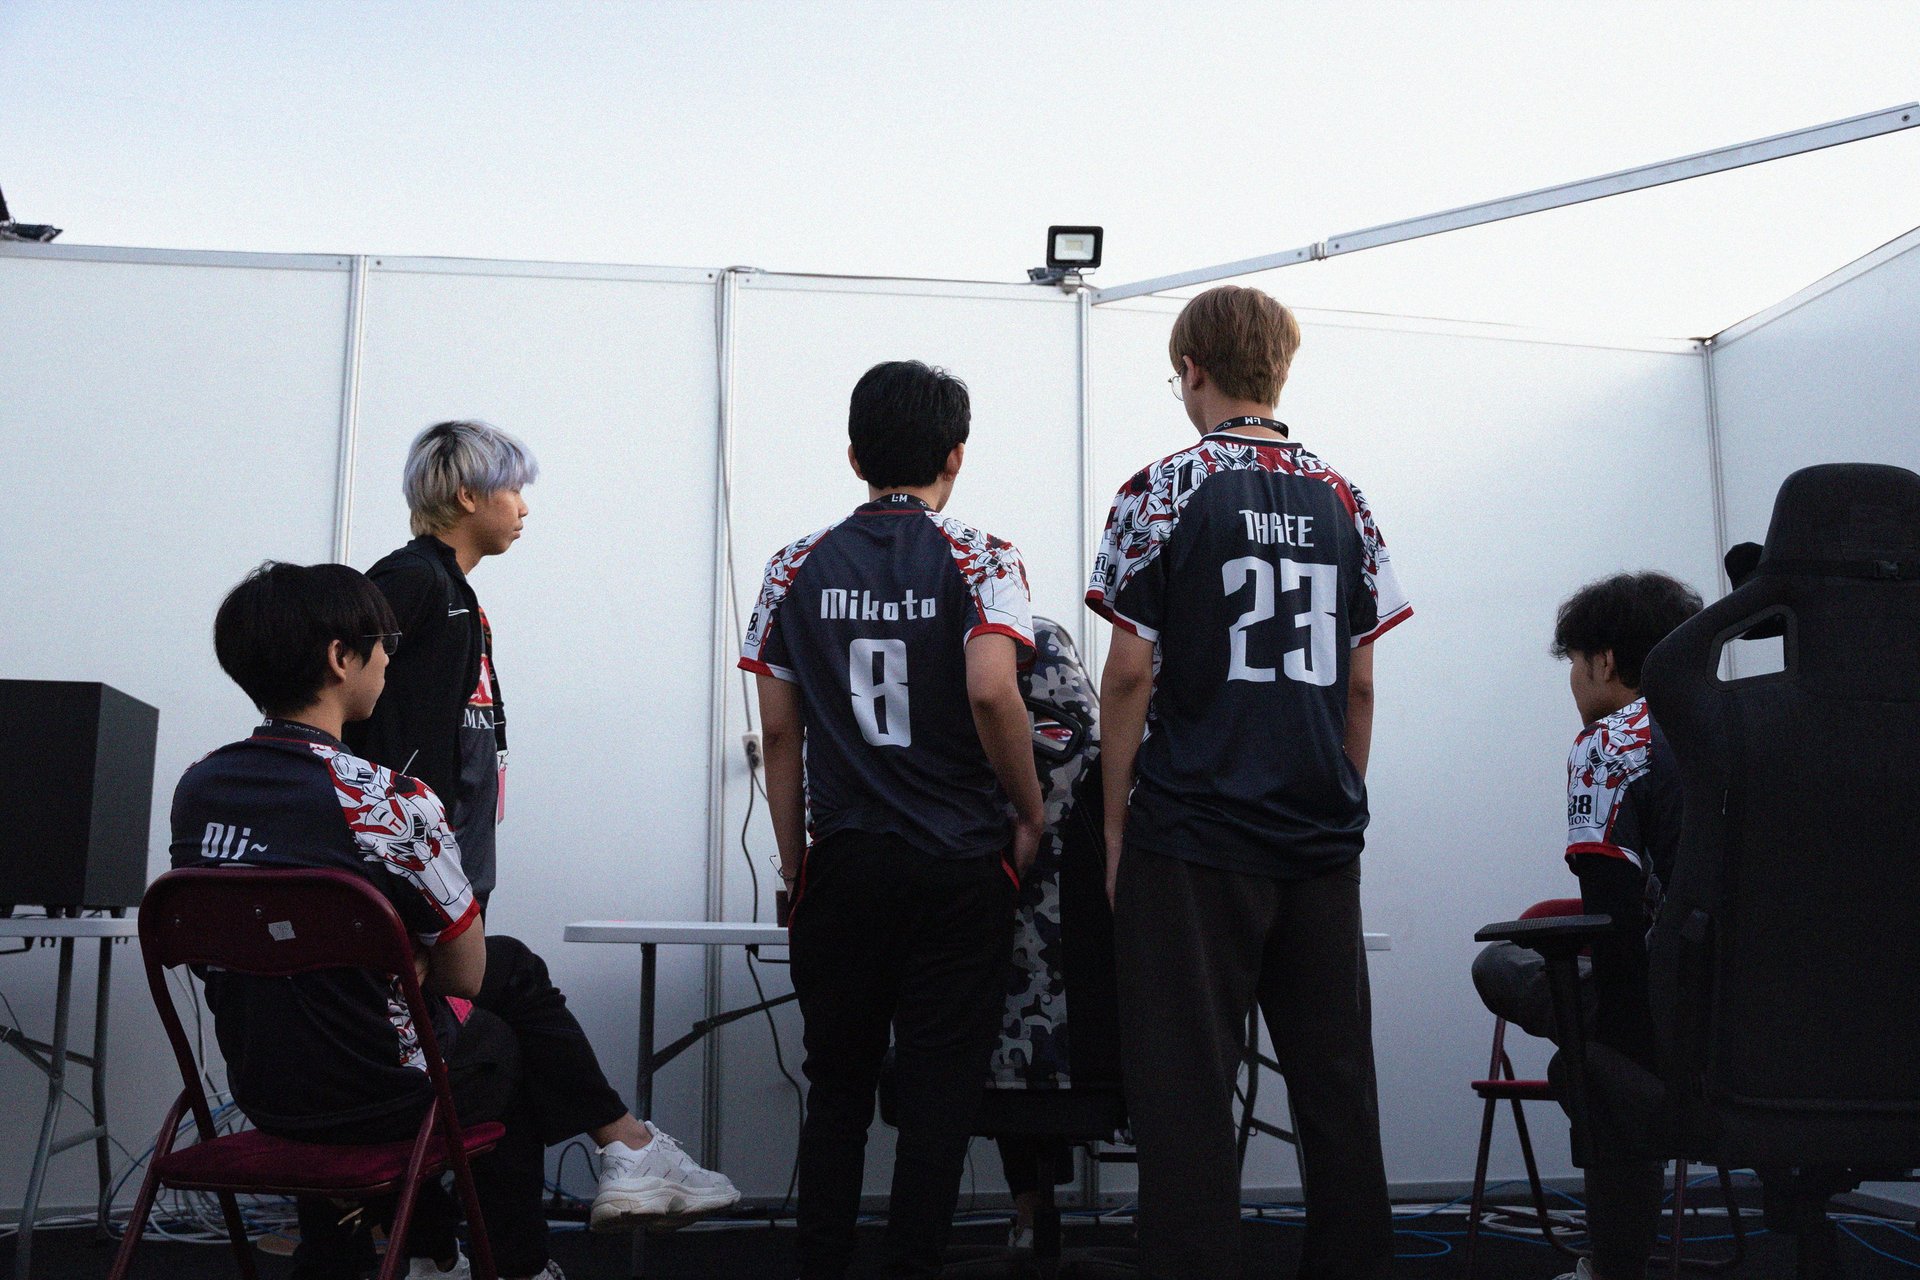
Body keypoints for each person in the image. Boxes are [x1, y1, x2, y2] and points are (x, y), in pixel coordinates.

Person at [173, 562, 739, 1280]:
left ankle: (441, 1250)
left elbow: (217, 938)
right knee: (503, 1035)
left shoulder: (199, 788)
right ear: (340, 658)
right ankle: (542, 1236)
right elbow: (466, 973)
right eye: (383, 644)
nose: (389, 658)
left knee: (502, 989)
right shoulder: (388, 799)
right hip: (376, 1087)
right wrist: (399, 954)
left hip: (264, 1084)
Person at [1087, 285, 1411, 1280]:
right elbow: (1359, 678)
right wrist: (1334, 799)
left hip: (1193, 831)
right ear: (1280, 369)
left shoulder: (1165, 486)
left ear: (1192, 370)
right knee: (1337, 1087)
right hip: (1317, 831)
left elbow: (1132, 670)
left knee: (1188, 1090)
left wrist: (1113, 824)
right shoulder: (1347, 496)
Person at [742, 360, 1046, 1279]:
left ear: (853, 455)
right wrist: (1028, 813)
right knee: (939, 1094)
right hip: (956, 864)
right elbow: (994, 692)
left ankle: (822, 1264)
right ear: (956, 455)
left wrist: (796, 865)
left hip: (845, 862)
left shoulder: (792, 564)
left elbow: (780, 733)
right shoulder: (985, 556)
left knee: (835, 1089)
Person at [1471, 570, 1703, 1280]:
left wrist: (1627, 1053)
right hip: (1759, 1008)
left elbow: (1611, 913)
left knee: (1505, 972)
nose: (1573, 681)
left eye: (1574, 663)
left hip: (1661, 1006)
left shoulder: (1612, 743)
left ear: (1605, 661)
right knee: (1591, 1062)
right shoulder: (1740, 723)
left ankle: (1615, 1263)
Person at [344, 419, 531, 914]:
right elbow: (333, 679)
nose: (524, 506)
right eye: (513, 489)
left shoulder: (454, 592)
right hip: (408, 856)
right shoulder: (413, 577)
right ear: (468, 496)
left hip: (454, 848)